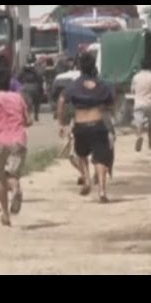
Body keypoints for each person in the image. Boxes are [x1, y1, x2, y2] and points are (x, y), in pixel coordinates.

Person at [57, 53, 114, 203]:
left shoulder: (74, 85)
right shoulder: (102, 85)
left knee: (81, 154)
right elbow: (111, 103)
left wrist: (61, 123)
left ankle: (87, 179)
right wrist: (102, 107)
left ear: (80, 67)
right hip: (97, 124)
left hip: (80, 125)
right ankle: (101, 190)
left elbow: (61, 100)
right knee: (100, 159)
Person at [0, 67, 33, 226]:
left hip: (1, 140)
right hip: (19, 141)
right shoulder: (19, 98)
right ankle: (13, 194)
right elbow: (28, 121)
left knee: (0, 175)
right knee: (10, 174)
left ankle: (6, 211)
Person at [131, 60, 151, 152]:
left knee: (138, 123)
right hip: (150, 103)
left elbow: (132, 90)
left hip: (138, 103)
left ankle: (139, 135)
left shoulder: (136, 77)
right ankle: (150, 143)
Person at [19, 53, 43, 122]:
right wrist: (24, 69)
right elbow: (19, 76)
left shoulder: (37, 66)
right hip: (30, 86)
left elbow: (40, 75)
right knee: (31, 102)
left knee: (34, 102)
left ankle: (34, 115)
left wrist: (33, 70)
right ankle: (32, 115)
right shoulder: (24, 67)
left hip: (34, 86)